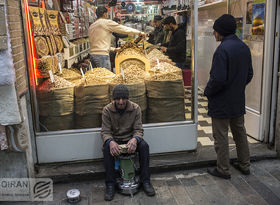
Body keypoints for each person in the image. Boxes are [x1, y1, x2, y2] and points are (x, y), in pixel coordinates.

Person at [204, 14, 254, 179]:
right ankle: (244, 165)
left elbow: (218, 79)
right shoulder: (243, 47)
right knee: (240, 133)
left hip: (221, 102)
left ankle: (223, 169)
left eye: (215, 30)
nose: (214, 34)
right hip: (237, 100)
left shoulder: (222, 50)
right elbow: (249, 74)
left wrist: (207, 91)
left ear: (221, 32)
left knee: (221, 136)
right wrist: (237, 86)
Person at [101, 84, 155, 201]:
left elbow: (139, 130)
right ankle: (110, 184)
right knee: (106, 148)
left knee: (144, 146)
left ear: (128, 98)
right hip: (115, 139)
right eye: (117, 99)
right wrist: (110, 141)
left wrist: (135, 139)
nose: (121, 102)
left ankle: (145, 181)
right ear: (113, 99)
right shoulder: (107, 110)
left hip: (130, 139)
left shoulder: (136, 109)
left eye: (123, 98)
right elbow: (105, 131)